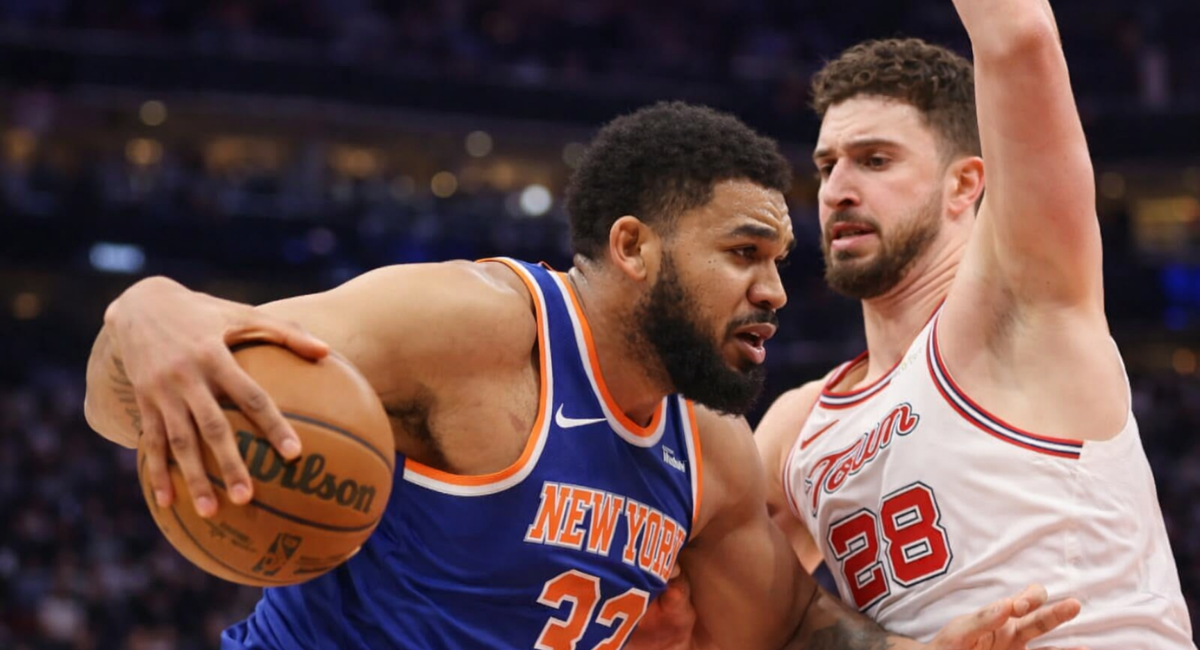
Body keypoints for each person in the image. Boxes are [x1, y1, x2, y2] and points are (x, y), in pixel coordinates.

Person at [85, 101, 1076, 650]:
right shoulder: (471, 325)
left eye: (779, 260)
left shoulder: (712, 451)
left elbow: (791, 628)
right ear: (635, 246)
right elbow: (125, 396)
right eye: (742, 253)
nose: (775, 289)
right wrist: (142, 316)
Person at [630, 2, 1194, 649]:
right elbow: (707, 618)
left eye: (874, 160)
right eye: (826, 165)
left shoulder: (1021, 303)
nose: (837, 188)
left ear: (965, 184)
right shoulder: (798, 428)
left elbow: (1021, 38)